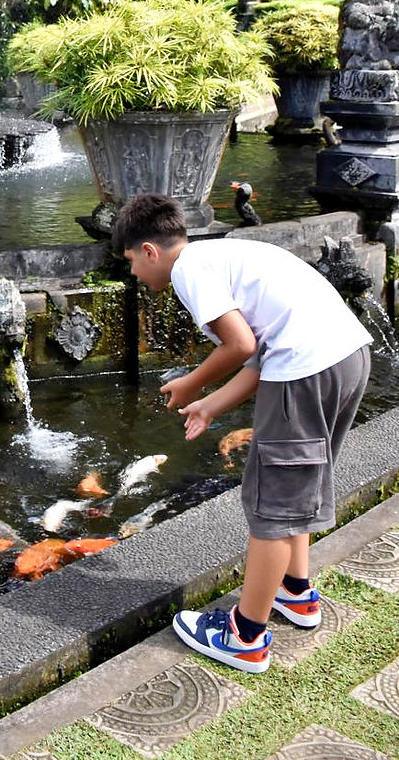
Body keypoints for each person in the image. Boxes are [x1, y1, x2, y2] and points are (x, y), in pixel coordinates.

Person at [111, 193, 372, 675]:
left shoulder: (189, 270)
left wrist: (192, 381)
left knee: (270, 502)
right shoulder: (220, 257)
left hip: (306, 369)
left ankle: (245, 637)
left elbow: (242, 344)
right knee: (295, 491)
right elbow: (257, 358)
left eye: (130, 261)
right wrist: (209, 406)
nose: (133, 274)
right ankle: (296, 591)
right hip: (346, 356)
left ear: (149, 250)